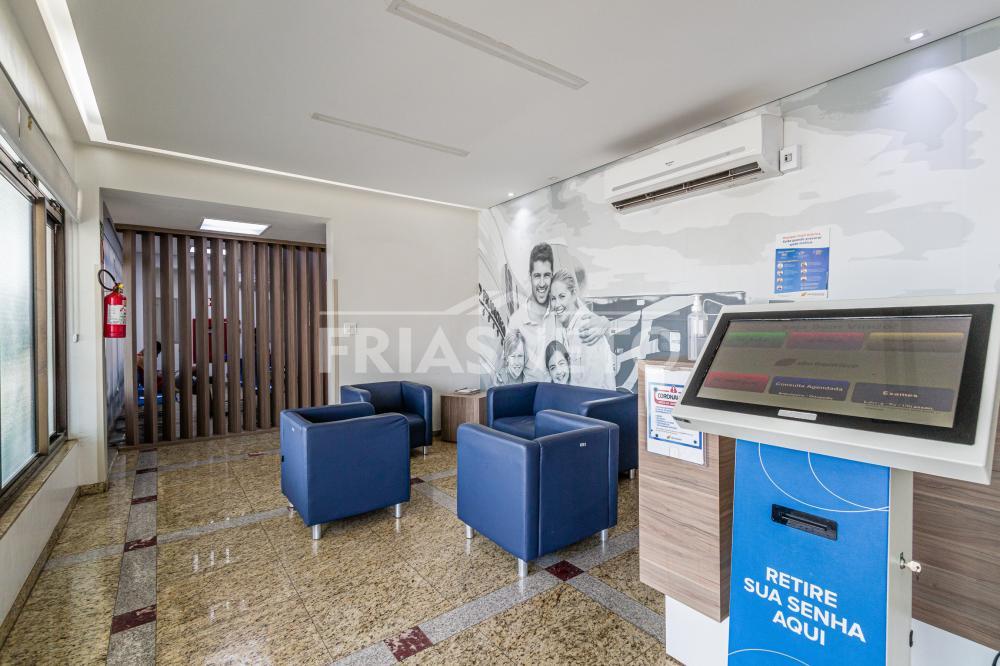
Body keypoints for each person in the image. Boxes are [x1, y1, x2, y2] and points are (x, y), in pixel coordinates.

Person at [506, 242, 612, 383]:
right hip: (533, 393)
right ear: (530, 276)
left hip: (565, 392)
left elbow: (580, 311)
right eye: (537, 275)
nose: (542, 283)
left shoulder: (563, 316)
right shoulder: (516, 321)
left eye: (547, 275)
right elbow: (510, 365)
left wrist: (604, 323)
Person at [549, 270, 616, 389]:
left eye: (562, 296)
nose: (556, 304)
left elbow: (591, 389)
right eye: (553, 298)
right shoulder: (566, 328)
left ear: (574, 294)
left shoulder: (587, 327)